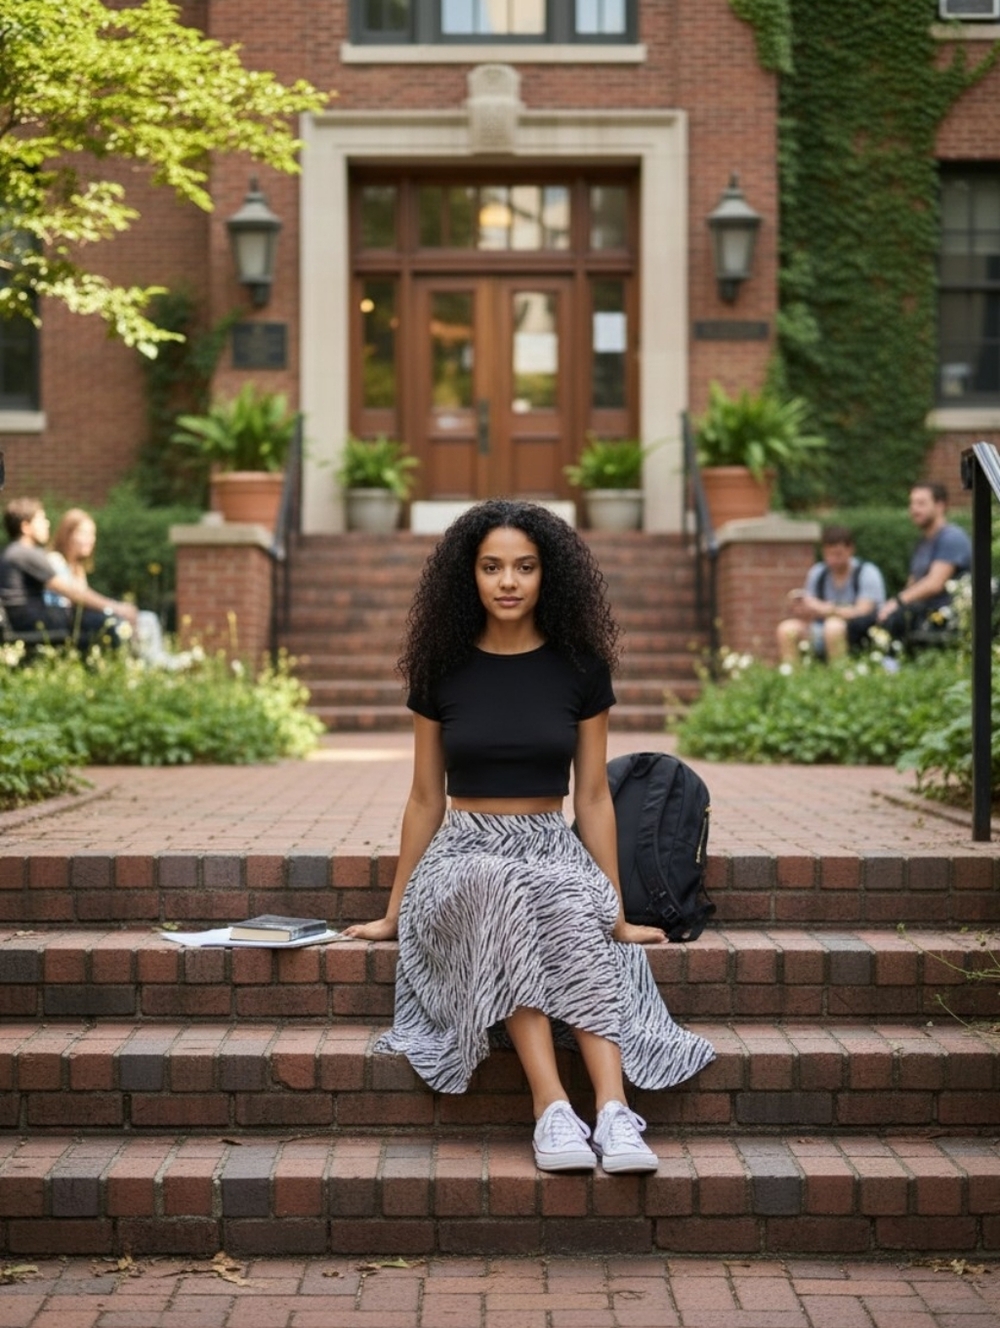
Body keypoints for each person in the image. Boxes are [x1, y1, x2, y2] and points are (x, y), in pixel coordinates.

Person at [343, 499, 715, 1175]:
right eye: (491, 568)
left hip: (550, 841)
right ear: (470, 577)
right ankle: (550, 1107)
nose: (508, 582)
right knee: (504, 885)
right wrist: (396, 912)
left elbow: (594, 797)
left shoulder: (579, 668)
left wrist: (618, 912)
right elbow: (426, 797)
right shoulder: (442, 669)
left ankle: (611, 1110)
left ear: (549, 576)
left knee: (561, 895)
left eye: (524, 567)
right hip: (462, 854)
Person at [45, 508, 179, 667]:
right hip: (62, 622)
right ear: (67, 534)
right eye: (84, 533)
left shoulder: (78, 567)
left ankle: (154, 662)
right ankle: (148, 665)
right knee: (122, 623)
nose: (90, 540)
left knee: (148, 618)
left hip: (82, 621)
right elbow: (78, 596)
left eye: (92, 534)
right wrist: (117, 608)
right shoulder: (55, 561)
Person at [0, 497, 136, 647]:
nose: (47, 524)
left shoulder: (12, 552)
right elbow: (72, 592)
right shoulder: (27, 554)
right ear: (26, 526)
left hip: (24, 621)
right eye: (41, 519)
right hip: (35, 622)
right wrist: (115, 607)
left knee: (93, 619)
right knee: (108, 624)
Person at [872, 483, 972, 641]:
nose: (914, 509)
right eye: (912, 503)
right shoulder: (923, 542)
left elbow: (934, 584)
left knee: (890, 622)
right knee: (869, 620)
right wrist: (892, 604)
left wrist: (897, 602)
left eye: (921, 503)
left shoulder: (952, 537)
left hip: (942, 615)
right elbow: (913, 583)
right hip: (919, 611)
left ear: (940, 505)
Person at [776, 524, 886, 665]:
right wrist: (803, 608)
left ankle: (839, 676)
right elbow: (810, 613)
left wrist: (827, 609)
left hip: (858, 631)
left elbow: (863, 611)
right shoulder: (818, 573)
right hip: (819, 628)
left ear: (850, 549)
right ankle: (793, 678)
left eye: (838, 554)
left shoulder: (867, 573)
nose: (833, 560)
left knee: (832, 626)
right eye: (829, 554)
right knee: (786, 629)